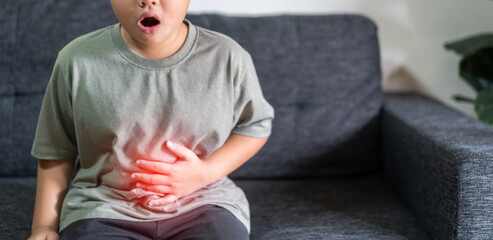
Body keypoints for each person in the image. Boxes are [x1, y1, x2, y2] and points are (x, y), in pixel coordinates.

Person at [28, 0, 274, 239]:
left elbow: (255, 125)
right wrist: (43, 226)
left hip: (204, 203)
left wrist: (206, 173)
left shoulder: (228, 56)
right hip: (103, 208)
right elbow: (56, 150)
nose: (147, 1)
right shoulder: (75, 59)